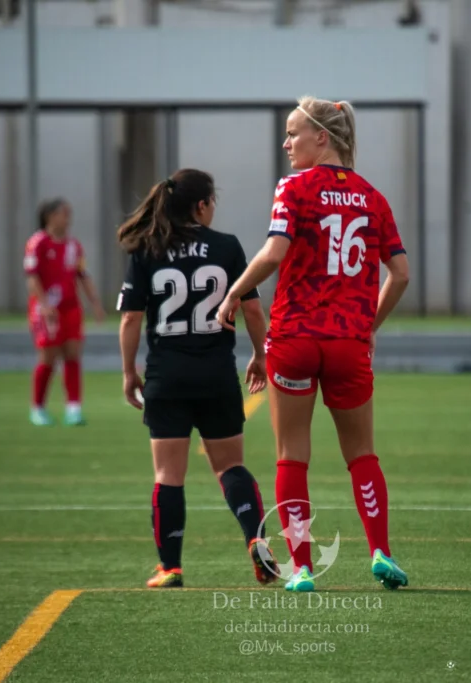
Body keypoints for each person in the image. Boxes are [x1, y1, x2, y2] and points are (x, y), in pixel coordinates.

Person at [216, 95, 411, 592]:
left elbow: (274, 252)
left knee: (291, 454)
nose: (286, 143)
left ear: (321, 138)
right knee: (362, 453)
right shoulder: (373, 196)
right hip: (348, 341)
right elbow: (402, 274)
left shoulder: (295, 188)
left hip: (296, 337)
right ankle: (381, 552)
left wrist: (235, 292)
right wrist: (369, 325)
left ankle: (301, 567)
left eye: (293, 133)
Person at [118, 169, 278, 589]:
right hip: (215, 375)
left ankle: (170, 568)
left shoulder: (148, 248)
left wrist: (127, 370)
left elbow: (131, 317)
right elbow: (254, 311)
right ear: (202, 205)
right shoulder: (226, 247)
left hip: (166, 378)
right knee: (231, 467)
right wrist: (261, 356)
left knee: (168, 475)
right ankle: (256, 542)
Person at [25, 198, 105, 426]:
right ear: (50, 216)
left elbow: (83, 275)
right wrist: (44, 305)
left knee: (72, 354)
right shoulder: (37, 243)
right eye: (64, 213)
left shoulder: (73, 245)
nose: (68, 218)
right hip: (46, 310)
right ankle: (38, 408)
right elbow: (32, 278)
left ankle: (73, 408)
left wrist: (95, 303)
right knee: (48, 357)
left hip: (70, 307)